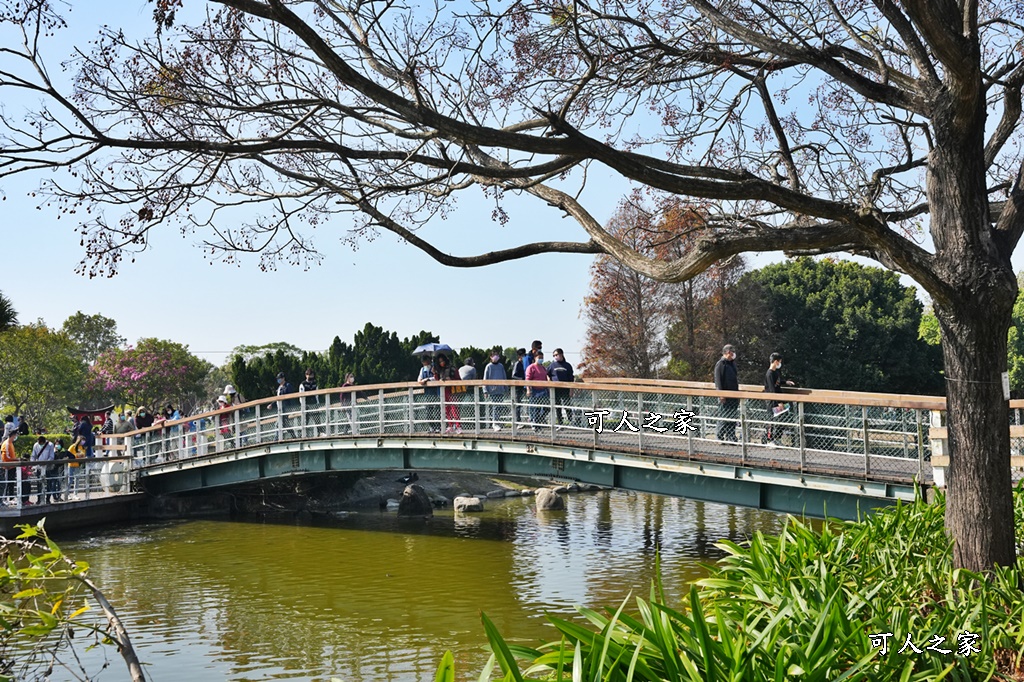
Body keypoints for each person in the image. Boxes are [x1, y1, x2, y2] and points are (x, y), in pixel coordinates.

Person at [763, 352, 795, 445]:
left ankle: (777, 438)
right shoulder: (769, 373)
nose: (780, 364)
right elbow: (772, 389)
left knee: (782, 419)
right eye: (779, 362)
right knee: (771, 421)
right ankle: (769, 440)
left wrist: (786, 382)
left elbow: (778, 382)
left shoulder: (776, 372)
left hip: (779, 400)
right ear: (776, 361)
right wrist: (779, 402)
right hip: (772, 401)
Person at [714, 344, 740, 442]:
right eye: (732, 352)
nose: (733, 354)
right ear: (728, 352)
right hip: (725, 396)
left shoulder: (732, 363)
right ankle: (719, 436)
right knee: (724, 416)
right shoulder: (720, 364)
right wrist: (721, 394)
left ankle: (731, 436)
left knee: (732, 417)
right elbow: (718, 380)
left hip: (734, 394)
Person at [433, 354, 462, 434]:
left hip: (452, 390)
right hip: (444, 390)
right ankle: (450, 425)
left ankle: (458, 426)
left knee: (454, 408)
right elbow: (437, 379)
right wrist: (435, 373)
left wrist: (451, 379)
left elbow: (458, 379)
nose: (441, 363)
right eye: (439, 362)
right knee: (447, 409)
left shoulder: (452, 368)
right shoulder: (439, 370)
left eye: (442, 361)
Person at [547, 348, 575, 426]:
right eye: (554, 355)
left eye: (556, 355)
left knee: (567, 404)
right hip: (556, 389)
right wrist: (549, 383)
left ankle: (570, 419)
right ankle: (560, 422)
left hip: (565, 388)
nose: (555, 357)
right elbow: (547, 374)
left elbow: (571, 379)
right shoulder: (552, 365)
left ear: (561, 354)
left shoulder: (567, 365)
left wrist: (571, 390)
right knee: (557, 406)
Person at [483, 351, 507, 430]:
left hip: (500, 389)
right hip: (492, 390)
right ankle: (495, 423)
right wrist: (485, 390)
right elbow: (485, 379)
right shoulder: (489, 366)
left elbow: (504, 377)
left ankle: (497, 421)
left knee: (499, 407)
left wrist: (506, 388)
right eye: (494, 355)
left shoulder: (501, 366)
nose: (496, 357)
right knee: (495, 406)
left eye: (497, 355)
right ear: (491, 357)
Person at [525, 350, 550, 428]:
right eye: (539, 357)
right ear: (535, 358)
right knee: (536, 408)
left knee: (547, 407)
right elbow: (528, 379)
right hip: (535, 390)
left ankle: (540, 420)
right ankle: (535, 424)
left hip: (544, 390)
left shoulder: (543, 367)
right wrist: (528, 389)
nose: (541, 359)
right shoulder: (531, 367)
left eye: (542, 358)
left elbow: (546, 377)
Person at [30, 435, 56, 504]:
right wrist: (33, 464)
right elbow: (33, 456)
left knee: (49, 483)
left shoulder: (50, 445)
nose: (40, 444)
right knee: (39, 483)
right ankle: (39, 499)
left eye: (41, 443)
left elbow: (51, 456)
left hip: (48, 468)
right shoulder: (36, 445)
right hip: (39, 467)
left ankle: (48, 499)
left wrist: (46, 463)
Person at [417, 356, 440, 433]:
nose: (424, 363)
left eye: (425, 361)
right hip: (427, 393)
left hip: (435, 392)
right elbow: (419, 379)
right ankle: (431, 427)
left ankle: (438, 427)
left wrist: (428, 379)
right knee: (428, 411)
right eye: (423, 362)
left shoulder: (434, 367)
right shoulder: (422, 369)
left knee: (437, 410)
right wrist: (421, 381)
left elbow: (437, 378)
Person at [511, 348, 527, 424]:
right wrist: (522, 379)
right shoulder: (517, 364)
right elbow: (513, 375)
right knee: (518, 404)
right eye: (522, 355)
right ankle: (518, 420)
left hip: (524, 386)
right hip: (518, 387)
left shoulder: (525, 364)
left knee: (525, 403)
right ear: (519, 356)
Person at [0, 433, 16, 504]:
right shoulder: (6, 444)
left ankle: (5, 499)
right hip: (5, 467)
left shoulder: (11, 444)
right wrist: (16, 460)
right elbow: (6, 457)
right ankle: (3, 499)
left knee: (8, 483)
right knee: (4, 484)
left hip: (11, 466)